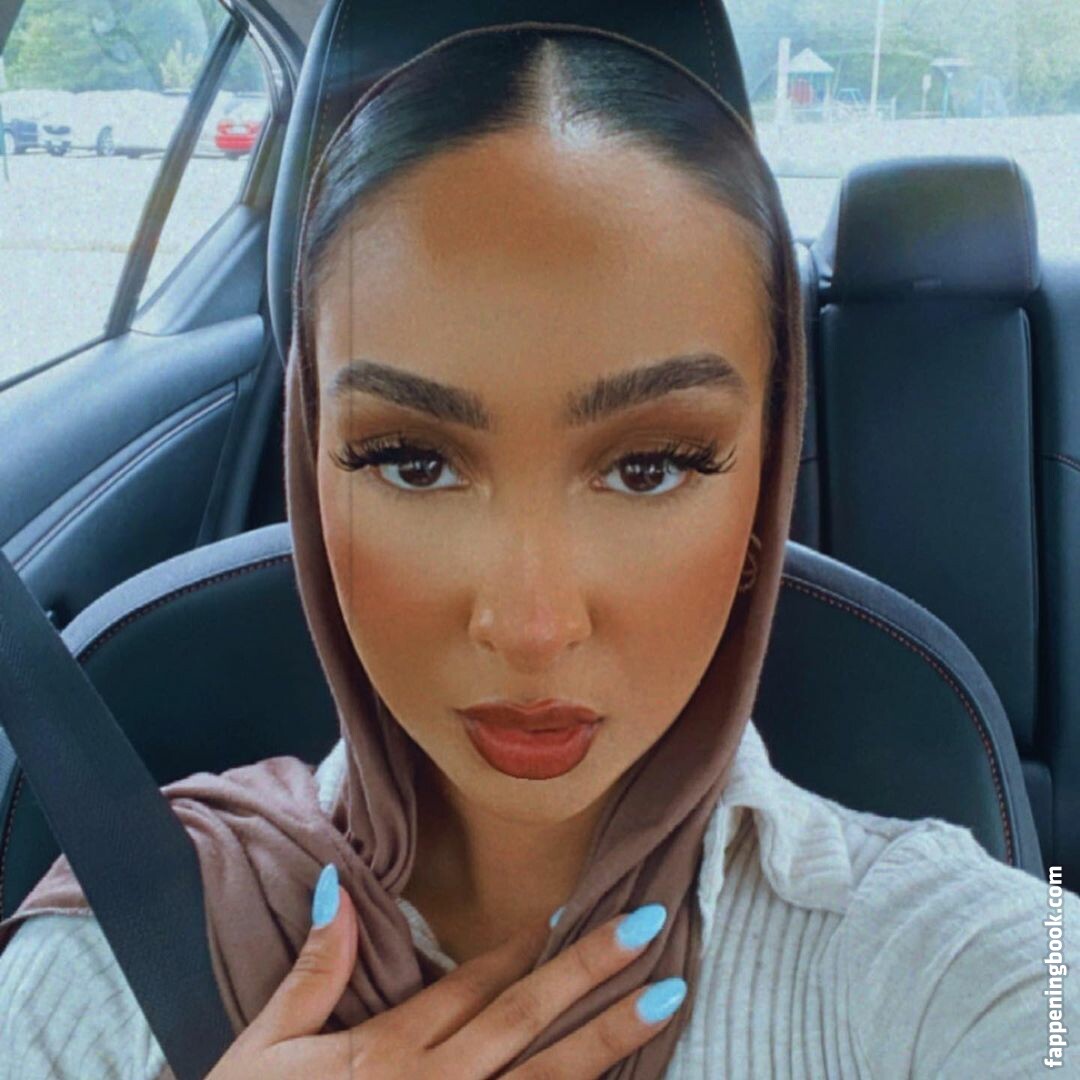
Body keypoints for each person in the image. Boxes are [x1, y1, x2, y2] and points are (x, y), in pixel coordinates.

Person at [1, 22, 1077, 1080]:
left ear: (763, 490)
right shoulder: (96, 973)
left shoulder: (973, 969)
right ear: (310, 466)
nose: (530, 627)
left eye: (649, 466)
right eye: (412, 461)